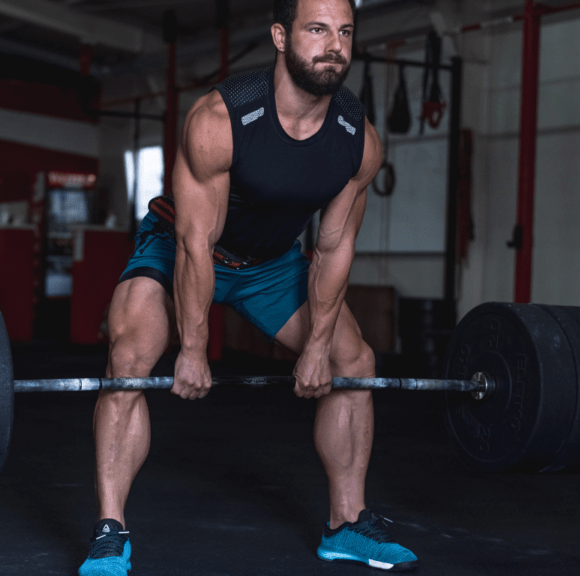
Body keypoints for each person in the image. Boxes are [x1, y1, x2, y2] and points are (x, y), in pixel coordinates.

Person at [78, 0, 418, 573]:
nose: (334, 45)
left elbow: (334, 247)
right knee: (130, 357)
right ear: (282, 37)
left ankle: (346, 525)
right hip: (178, 250)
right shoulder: (219, 120)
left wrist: (315, 348)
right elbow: (194, 243)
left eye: (344, 32)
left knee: (354, 361)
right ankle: (111, 530)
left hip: (270, 265)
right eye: (317, 29)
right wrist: (191, 347)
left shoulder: (358, 140)